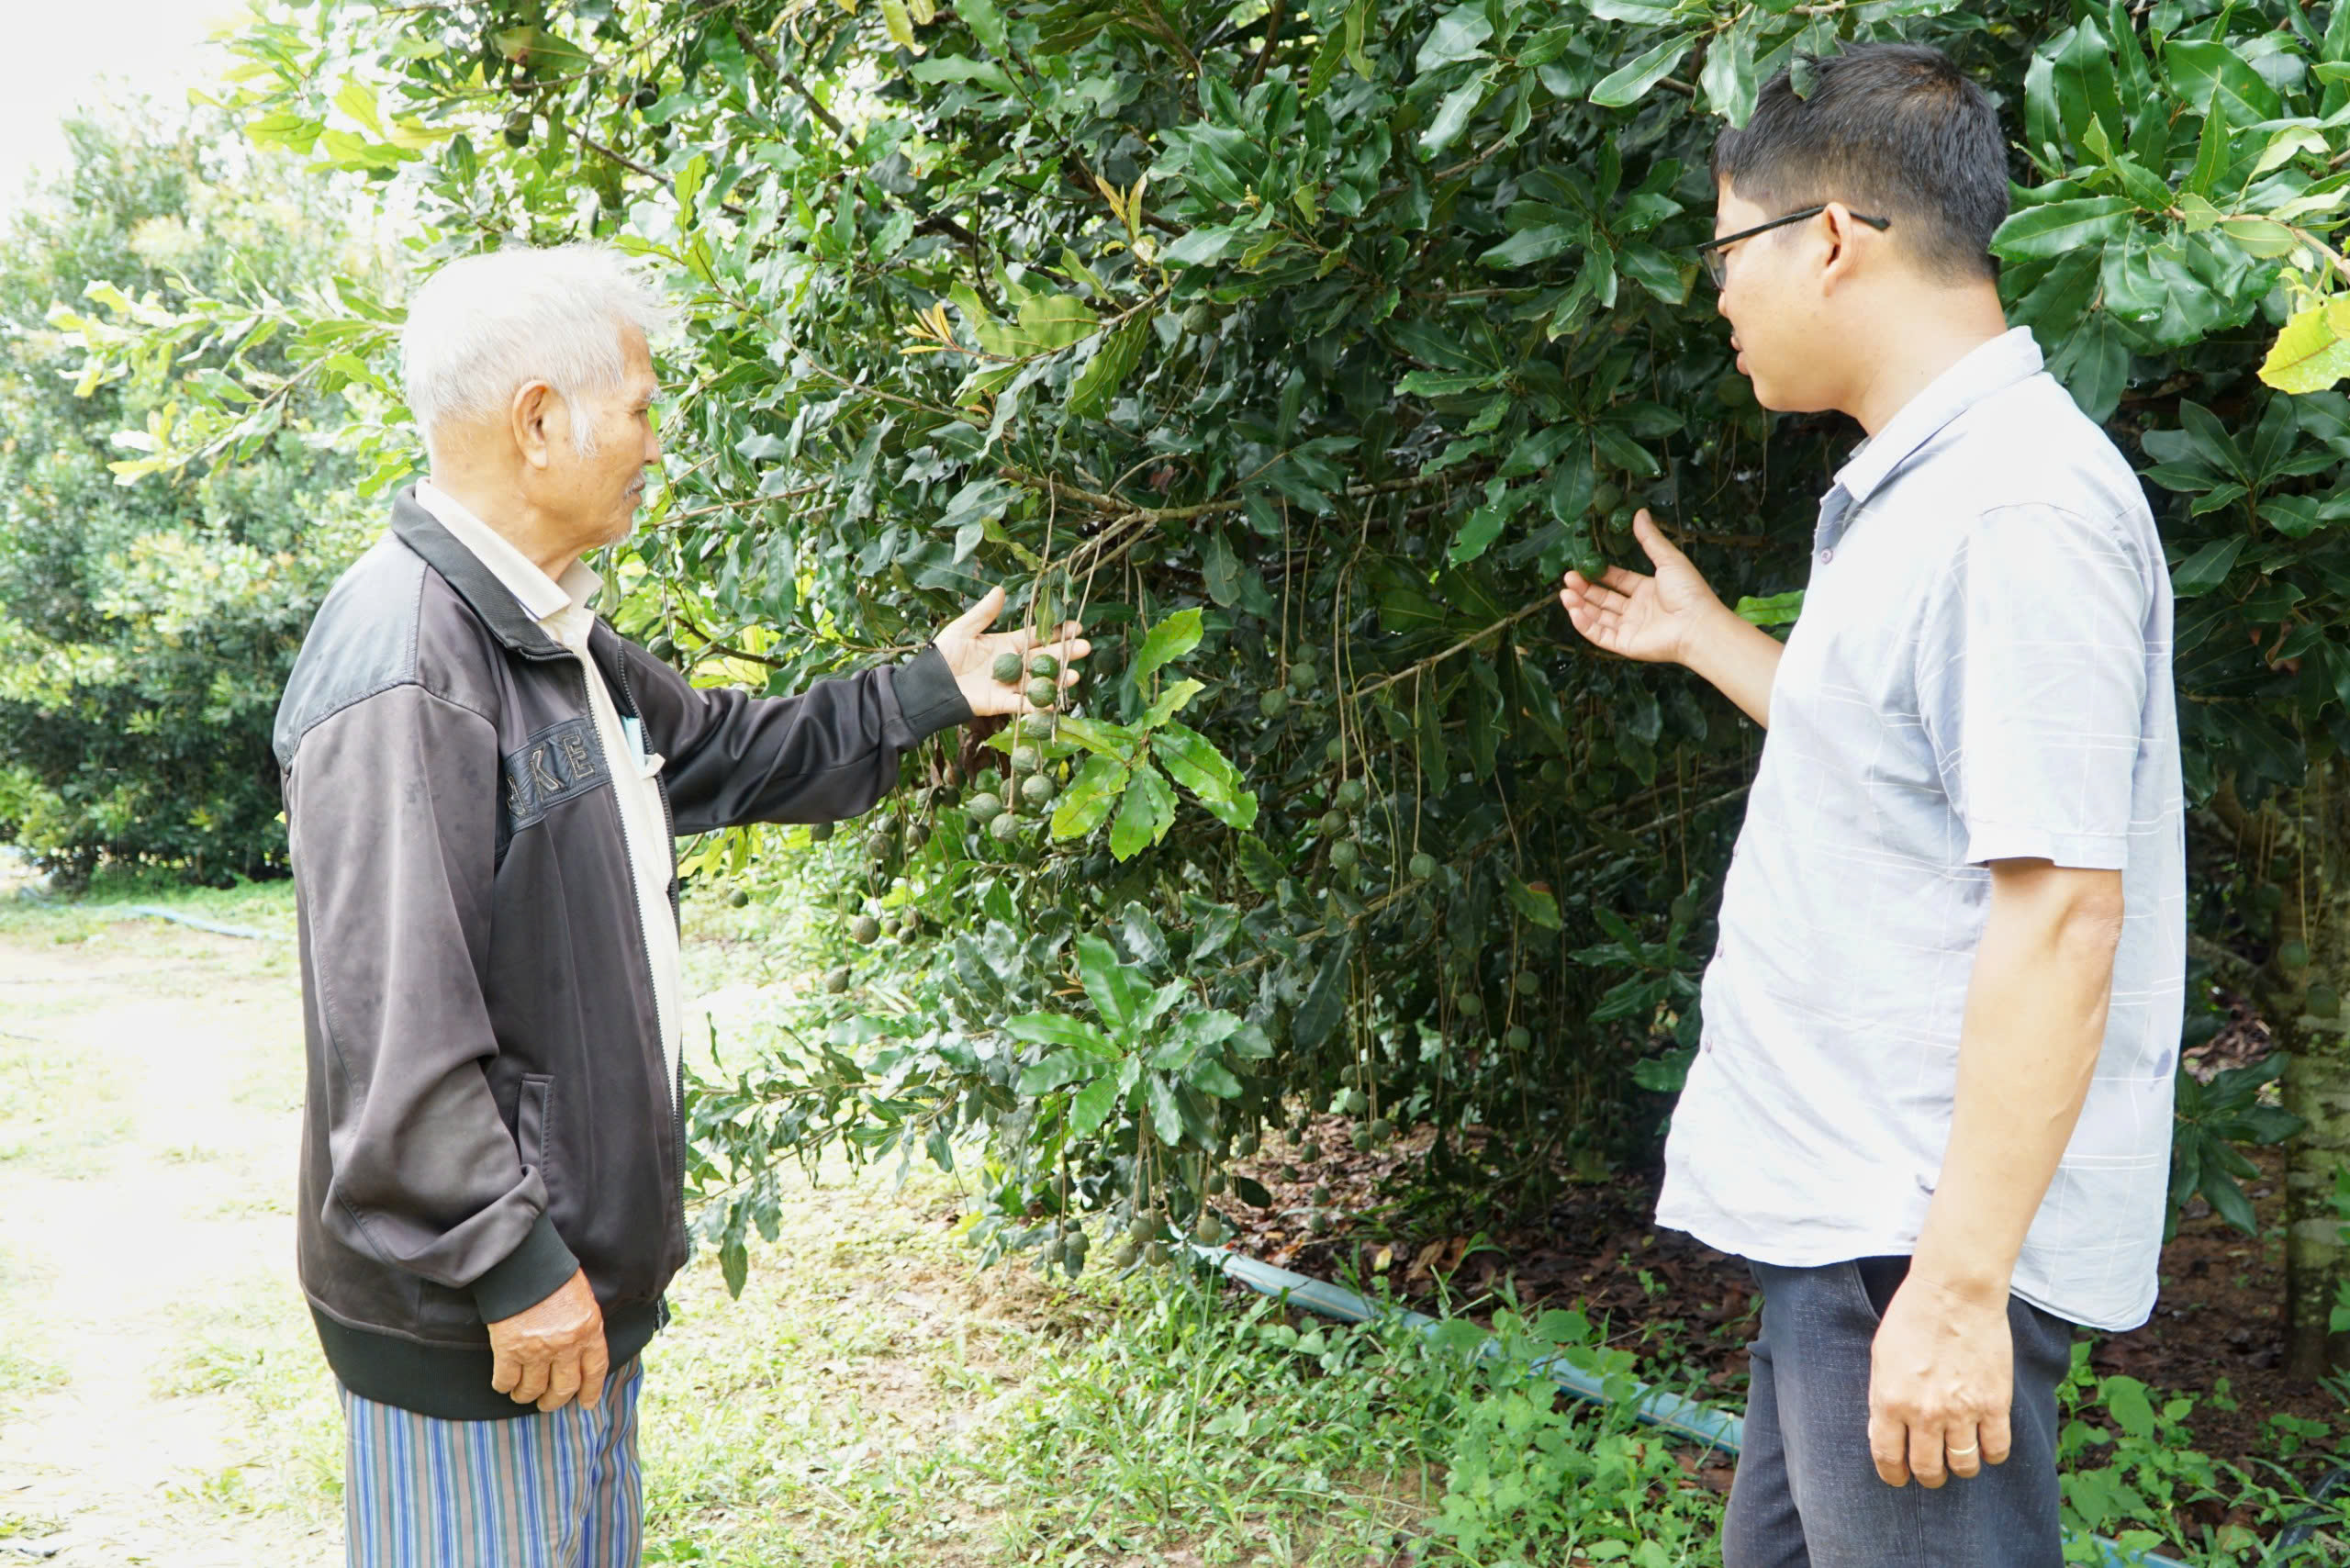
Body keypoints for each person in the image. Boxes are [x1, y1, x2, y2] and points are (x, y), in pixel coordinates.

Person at [273, 241, 1084, 1566]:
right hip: (482, 1318)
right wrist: (509, 1265)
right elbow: (394, 1026)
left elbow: (712, 750)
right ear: (543, 421)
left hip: (561, 1290)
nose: (659, 443)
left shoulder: (544, 634)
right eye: (643, 408)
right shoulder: (410, 665)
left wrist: (923, 694)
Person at [1556, 44, 2183, 1567]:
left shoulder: (2013, 513)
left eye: (1726, 251)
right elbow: (1898, 761)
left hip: (1913, 1241)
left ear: (1827, 238)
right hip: (1846, 1231)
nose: (1717, 297)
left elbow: (2060, 913)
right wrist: (1707, 639)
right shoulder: (1931, 491)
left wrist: (1958, 1291)